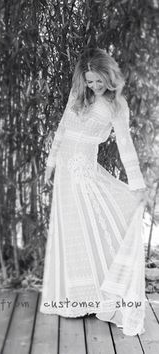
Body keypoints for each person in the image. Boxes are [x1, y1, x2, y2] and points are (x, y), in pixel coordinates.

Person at [40, 48, 147, 336]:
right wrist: (50, 164)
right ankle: (74, 300)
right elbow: (62, 130)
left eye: (98, 81)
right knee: (71, 232)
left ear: (109, 76)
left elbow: (125, 146)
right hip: (64, 172)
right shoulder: (78, 96)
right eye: (89, 81)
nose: (94, 86)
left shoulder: (117, 106)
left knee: (96, 228)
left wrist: (137, 184)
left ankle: (106, 296)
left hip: (85, 172)